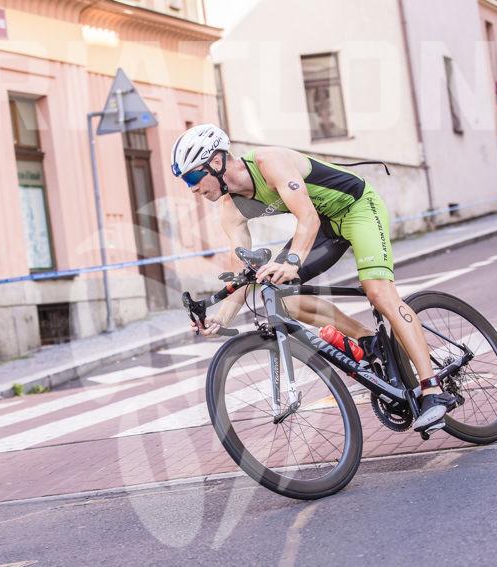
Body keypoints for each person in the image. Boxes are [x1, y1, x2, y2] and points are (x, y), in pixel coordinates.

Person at [170, 124, 456, 432]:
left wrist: (293, 261)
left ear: (216, 162)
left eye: (192, 178)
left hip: (357, 207)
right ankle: (368, 341)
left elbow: (307, 216)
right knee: (284, 297)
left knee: (379, 294)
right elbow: (241, 269)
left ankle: (432, 390)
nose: (192, 189)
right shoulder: (231, 209)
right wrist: (220, 319)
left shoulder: (269, 162)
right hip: (326, 227)